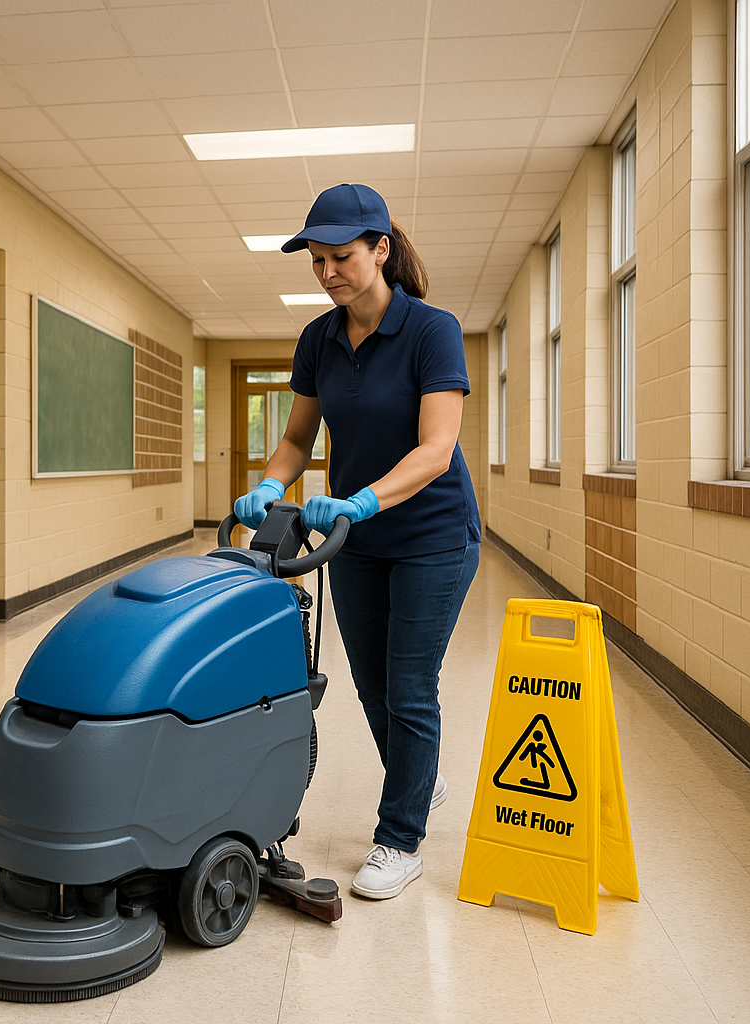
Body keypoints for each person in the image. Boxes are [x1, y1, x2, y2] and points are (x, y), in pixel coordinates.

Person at [234, 183, 480, 900]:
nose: (328, 272)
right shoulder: (318, 339)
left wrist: (367, 498)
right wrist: (271, 485)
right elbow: (296, 437)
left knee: (408, 687)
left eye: (340, 257)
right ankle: (418, 779)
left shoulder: (432, 330)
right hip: (353, 539)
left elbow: (437, 449)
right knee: (371, 686)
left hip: (432, 535)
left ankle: (400, 838)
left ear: (379, 249)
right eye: (315, 261)